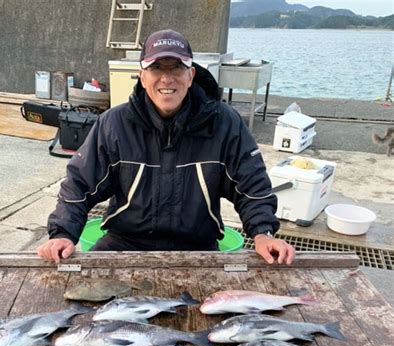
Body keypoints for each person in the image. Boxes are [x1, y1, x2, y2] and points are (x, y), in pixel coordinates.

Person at [37, 29, 295, 265]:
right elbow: (79, 184)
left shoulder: (225, 123)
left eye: (177, 68)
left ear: (191, 74)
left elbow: (251, 184)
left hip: (198, 247)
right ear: (142, 75)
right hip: (124, 243)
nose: (167, 78)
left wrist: (263, 233)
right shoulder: (113, 124)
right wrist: (63, 233)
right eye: (157, 68)